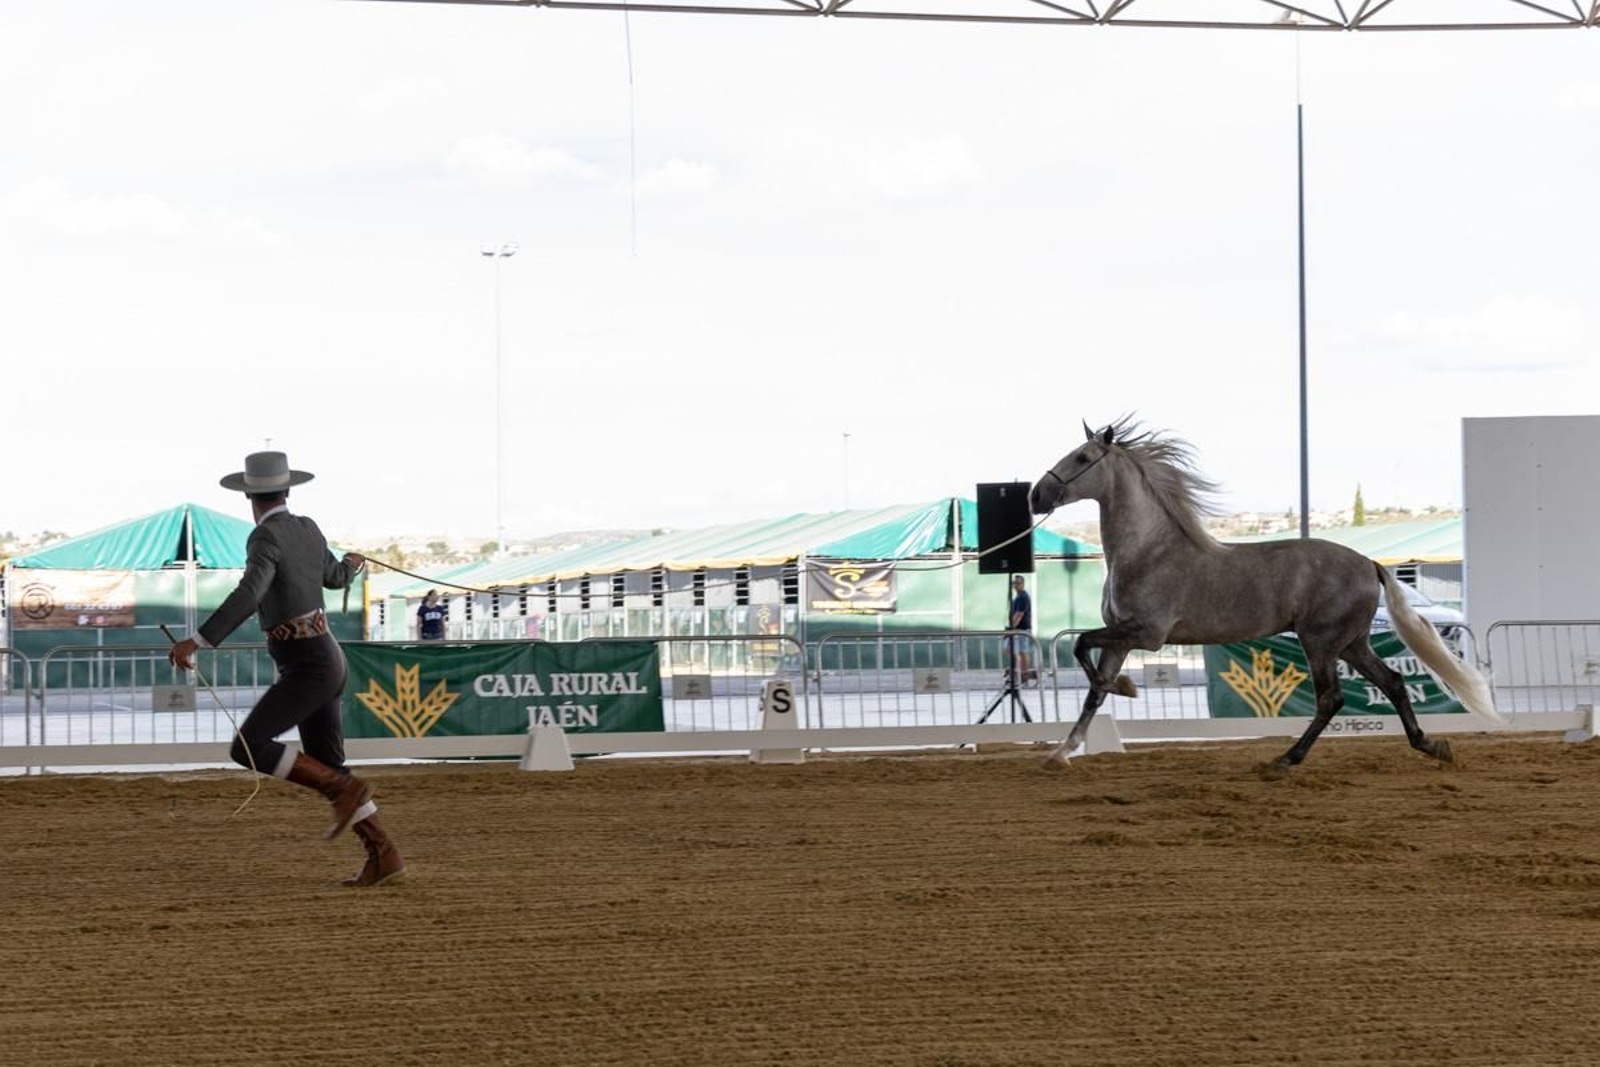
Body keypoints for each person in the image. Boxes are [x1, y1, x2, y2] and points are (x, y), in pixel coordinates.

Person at [167, 451, 405, 888]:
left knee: (249, 746)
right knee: (331, 766)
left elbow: (250, 593)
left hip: (307, 665)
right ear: (288, 489)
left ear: (249, 495)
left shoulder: (263, 539)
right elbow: (334, 577)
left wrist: (199, 640)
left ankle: (348, 798)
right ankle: (382, 853)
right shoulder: (308, 528)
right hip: (326, 658)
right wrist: (354, 565)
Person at [1008, 575, 1037, 686]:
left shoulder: (1023, 597)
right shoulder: (1018, 597)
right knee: (1013, 650)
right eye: (1015, 583)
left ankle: (1024, 674)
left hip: (1022, 629)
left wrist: (1012, 628)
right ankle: (1022, 671)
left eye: (1018, 583)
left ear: (1023, 584)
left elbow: (1019, 614)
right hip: (1018, 629)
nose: (1016, 585)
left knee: (1022, 651)